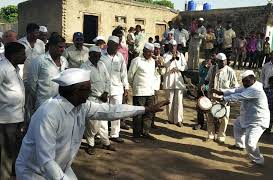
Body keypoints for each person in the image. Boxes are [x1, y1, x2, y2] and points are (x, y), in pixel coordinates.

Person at [15, 68, 169, 180]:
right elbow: (46, 160)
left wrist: (146, 109)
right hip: (34, 172)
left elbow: (111, 111)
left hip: (60, 168)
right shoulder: (49, 114)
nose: (90, 92)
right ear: (75, 91)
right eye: (88, 89)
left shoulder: (82, 106)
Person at [212, 70, 270, 165]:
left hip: (258, 120)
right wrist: (221, 92)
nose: (244, 83)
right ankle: (239, 145)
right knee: (237, 126)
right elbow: (236, 90)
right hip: (248, 116)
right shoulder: (248, 86)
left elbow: (239, 96)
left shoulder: (256, 90)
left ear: (253, 79)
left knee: (251, 143)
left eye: (246, 81)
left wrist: (222, 98)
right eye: (243, 81)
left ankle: (258, 160)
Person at [80, 46, 115, 154]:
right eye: (95, 55)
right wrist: (97, 94)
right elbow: (84, 85)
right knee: (92, 124)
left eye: (99, 55)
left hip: (103, 98)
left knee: (104, 122)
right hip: (91, 99)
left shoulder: (102, 64)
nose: (97, 57)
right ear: (90, 55)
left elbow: (108, 80)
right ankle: (91, 144)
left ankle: (106, 143)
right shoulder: (84, 67)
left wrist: (106, 92)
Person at [0, 42, 26, 180]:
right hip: (6, 119)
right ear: (14, 55)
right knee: (6, 152)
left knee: (14, 148)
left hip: (17, 117)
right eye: (23, 54)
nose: (25, 56)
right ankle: (4, 176)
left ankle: (12, 172)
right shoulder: (2, 68)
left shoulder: (14, 68)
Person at [27, 34, 69, 113]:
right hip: (43, 104)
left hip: (61, 104)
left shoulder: (64, 61)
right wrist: (40, 97)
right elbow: (31, 84)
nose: (63, 49)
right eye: (60, 47)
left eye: (64, 47)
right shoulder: (39, 61)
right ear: (51, 46)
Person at [101, 36, 129, 143]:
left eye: (116, 45)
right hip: (103, 88)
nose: (113, 47)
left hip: (117, 88)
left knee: (116, 112)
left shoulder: (120, 57)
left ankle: (115, 134)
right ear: (108, 44)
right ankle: (102, 136)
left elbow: (123, 72)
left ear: (117, 46)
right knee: (103, 112)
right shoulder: (101, 55)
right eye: (111, 44)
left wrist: (126, 86)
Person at [204, 53, 238, 143]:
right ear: (217, 61)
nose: (223, 63)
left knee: (224, 118)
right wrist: (205, 86)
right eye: (221, 61)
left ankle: (221, 137)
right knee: (210, 116)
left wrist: (230, 97)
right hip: (212, 97)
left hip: (224, 98)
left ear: (226, 61)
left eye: (224, 61)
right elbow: (207, 80)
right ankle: (210, 135)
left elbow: (235, 87)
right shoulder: (212, 68)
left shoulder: (230, 71)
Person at [128, 43, 157, 142]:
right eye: (148, 51)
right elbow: (130, 76)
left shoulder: (153, 61)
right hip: (139, 92)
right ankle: (136, 135)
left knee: (149, 113)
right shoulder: (136, 61)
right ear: (144, 51)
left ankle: (145, 132)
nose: (150, 54)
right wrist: (135, 87)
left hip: (150, 91)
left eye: (151, 52)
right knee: (138, 114)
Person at [163, 39, 187, 127]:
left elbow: (185, 66)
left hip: (178, 79)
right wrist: (171, 60)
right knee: (169, 100)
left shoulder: (180, 55)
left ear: (176, 46)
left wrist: (178, 68)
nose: (173, 47)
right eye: (171, 46)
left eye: (174, 46)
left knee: (179, 101)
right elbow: (165, 65)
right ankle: (170, 119)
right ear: (169, 46)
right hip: (169, 78)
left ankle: (179, 120)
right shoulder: (165, 55)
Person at [193, 58, 212, 130]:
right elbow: (200, 74)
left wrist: (206, 87)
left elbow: (212, 80)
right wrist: (205, 67)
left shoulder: (215, 67)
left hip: (210, 90)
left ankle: (210, 125)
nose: (210, 61)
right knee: (199, 106)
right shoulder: (203, 64)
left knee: (210, 107)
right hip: (201, 88)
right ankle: (200, 123)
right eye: (209, 59)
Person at [153, 43, 165, 128]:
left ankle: (152, 122)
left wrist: (160, 66)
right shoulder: (149, 57)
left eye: (158, 49)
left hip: (156, 84)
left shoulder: (161, 58)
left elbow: (162, 73)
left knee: (155, 104)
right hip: (148, 84)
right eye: (155, 49)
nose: (157, 50)